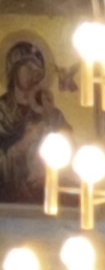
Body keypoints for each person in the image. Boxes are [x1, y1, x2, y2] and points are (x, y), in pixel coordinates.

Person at [0, 39, 69, 205]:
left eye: (37, 69)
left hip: (45, 198)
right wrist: (21, 146)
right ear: (14, 69)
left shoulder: (51, 113)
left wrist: (50, 118)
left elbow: (71, 153)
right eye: (27, 67)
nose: (33, 73)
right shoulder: (2, 111)